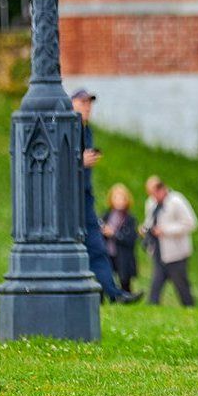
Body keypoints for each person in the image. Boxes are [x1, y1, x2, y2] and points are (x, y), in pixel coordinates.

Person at [71, 89, 130, 304]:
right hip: (68, 199)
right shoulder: (64, 127)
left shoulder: (88, 131)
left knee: (96, 245)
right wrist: (79, 161)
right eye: (83, 103)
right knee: (73, 246)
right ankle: (86, 294)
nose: (87, 107)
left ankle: (113, 293)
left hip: (85, 196)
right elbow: (53, 163)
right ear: (72, 104)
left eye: (89, 104)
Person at [143, 176, 198, 307]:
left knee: (181, 285)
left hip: (176, 253)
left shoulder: (176, 201)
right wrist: (145, 229)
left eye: (154, 193)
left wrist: (165, 230)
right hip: (158, 250)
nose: (153, 197)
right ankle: (152, 306)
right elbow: (149, 220)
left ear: (162, 189)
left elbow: (191, 223)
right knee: (155, 286)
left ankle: (190, 308)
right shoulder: (151, 203)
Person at [101, 183, 140, 299]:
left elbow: (131, 239)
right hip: (108, 252)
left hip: (122, 255)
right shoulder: (106, 215)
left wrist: (114, 234)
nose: (119, 201)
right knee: (105, 275)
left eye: (122, 198)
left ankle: (125, 297)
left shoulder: (130, 219)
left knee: (124, 280)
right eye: (116, 198)